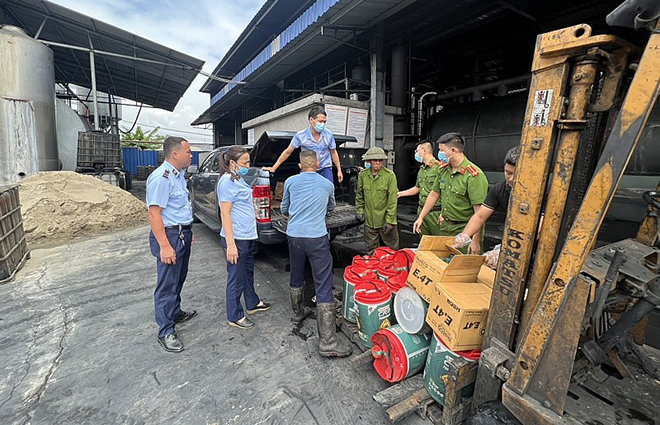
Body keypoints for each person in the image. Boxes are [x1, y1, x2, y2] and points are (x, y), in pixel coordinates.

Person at [281, 150, 352, 358]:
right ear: (318, 164)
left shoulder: (290, 182)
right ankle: (328, 342)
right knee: (322, 283)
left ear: (300, 165)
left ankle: (299, 313)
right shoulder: (327, 184)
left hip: (294, 236)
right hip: (317, 238)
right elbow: (331, 207)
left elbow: (285, 207)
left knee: (296, 274)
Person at [147, 136, 197, 353]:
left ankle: (175, 313)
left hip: (181, 233)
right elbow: (154, 213)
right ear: (175, 154)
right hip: (169, 237)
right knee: (167, 284)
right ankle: (166, 330)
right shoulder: (161, 178)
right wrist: (165, 246)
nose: (191, 155)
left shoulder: (179, 176)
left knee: (179, 278)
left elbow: (179, 208)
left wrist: (187, 230)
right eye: (188, 151)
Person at [217, 146, 271, 330]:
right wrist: (231, 245)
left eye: (248, 162)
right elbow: (225, 214)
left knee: (247, 272)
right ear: (232, 163)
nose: (248, 165)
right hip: (236, 238)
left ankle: (252, 302)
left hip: (246, 235)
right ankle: (234, 315)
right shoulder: (226, 182)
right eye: (245, 163)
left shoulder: (237, 178)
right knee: (236, 277)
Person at [413, 133, 488, 254]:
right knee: (443, 262)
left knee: (461, 269)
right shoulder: (444, 170)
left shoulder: (473, 175)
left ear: (453, 150)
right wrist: (421, 217)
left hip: (465, 231)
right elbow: (433, 194)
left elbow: (479, 214)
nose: (439, 154)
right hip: (445, 228)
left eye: (442, 150)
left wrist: (475, 240)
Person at [452, 146, 520, 267]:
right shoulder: (499, 189)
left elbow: (540, 228)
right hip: (511, 241)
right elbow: (480, 216)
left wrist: (505, 252)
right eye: (508, 173)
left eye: (517, 174)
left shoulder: (542, 192)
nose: (511, 179)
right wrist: (465, 235)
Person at [263, 106, 343, 183]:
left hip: (325, 168)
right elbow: (287, 152)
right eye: (320, 121)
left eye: (324, 122)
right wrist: (274, 168)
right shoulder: (301, 136)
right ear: (311, 120)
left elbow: (333, 152)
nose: (323, 124)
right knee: (306, 191)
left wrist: (339, 170)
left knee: (329, 190)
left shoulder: (329, 134)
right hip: (308, 169)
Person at [356, 147, 399, 255]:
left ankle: (391, 271)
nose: (378, 163)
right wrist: (360, 210)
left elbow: (392, 200)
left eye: (380, 160)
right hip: (370, 221)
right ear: (369, 161)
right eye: (375, 160)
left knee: (392, 250)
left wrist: (389, 220)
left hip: (385, 220)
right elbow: (359, 195)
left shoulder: (389, 176)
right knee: (371, 250)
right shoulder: (363, 175)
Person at [398, 140, 446, 235]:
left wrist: (444, 213)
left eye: (417, 151)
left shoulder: (439, 168)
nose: (416, 154)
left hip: (435, 211)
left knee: (438, 242)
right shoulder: (422, 170)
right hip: (422, 210)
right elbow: (417, 188)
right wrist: (400, 194)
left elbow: (445, 192)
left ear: (424, 151)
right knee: (424, 241)